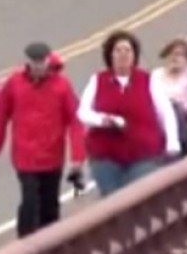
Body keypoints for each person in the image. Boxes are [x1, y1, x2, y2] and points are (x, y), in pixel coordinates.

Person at [0, 42, 86, 238]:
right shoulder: (15, 83)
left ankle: (50, 246)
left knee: (50, 206)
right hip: (25, 156)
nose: (38, 66)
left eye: (42, 62)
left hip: (52, 156)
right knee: (29, 201)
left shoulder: (62, 85)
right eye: (34, 62)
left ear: (48, 60)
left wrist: (77, 157)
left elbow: (75, 121)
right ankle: (24, 245)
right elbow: (0, 117)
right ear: (28, 62)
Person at [77, 30, 181, 197]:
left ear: (134, 55)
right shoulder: (98, 80)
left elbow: (165, 112)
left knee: (138, 196)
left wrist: (172, 143)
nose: (123, 55)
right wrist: (102, 120)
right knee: (112, 201)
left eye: (128, 50)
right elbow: (83, 112)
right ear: (110, 55)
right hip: (106, 156)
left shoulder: (148, 80)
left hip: (143, 154)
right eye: (118, 51)